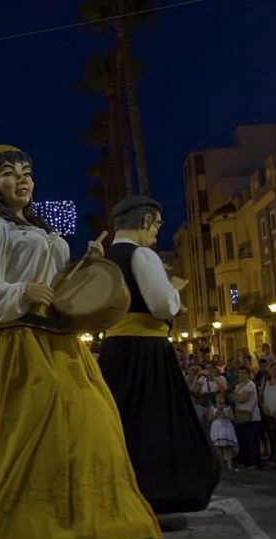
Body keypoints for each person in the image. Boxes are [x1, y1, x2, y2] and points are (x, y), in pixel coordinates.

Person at [0, 144, 161, 539]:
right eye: (9, 174)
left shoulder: (44, 232)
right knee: (31, 443)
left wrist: (85, 272)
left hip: (61, 344)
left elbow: (60, 292)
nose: (22, 180)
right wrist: (22, 291)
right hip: (17, 344)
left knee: (86, 431)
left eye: (27, 171)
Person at [97, 195, 219, 515]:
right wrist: (173, 294)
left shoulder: (104, 258)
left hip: (114, 348)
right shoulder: (144, 256)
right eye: (156, 225)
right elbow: (161, 306)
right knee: (154, 421)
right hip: (147, 349)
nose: (157, 233)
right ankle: (156, 490)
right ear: (145, 220)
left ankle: (114, 490)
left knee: (117, 419)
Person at [233, 366, 263, 468]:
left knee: (252, 441)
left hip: (251, 417)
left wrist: (236, 396)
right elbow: (234, 398)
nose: (241, 375)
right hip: (241, 415)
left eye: (244, 373)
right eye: (240, 373)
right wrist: (236, 397)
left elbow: (242, 399)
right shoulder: (238, 386)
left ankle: (255, 462)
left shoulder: (250, 385)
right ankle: (245, 461)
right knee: (243, 440)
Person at [208, 392, 238, 471]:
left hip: (226, 426)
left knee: (227, 447)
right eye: (218, 397)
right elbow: (210, 418)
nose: (219, 399)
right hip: (217, 426)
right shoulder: (213, 407)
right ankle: (221, 464)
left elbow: (232, 418)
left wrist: (225, 414)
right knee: (218, 447)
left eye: (221, 397)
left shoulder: (228, 407)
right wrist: (215, 415)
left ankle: (229, 464)